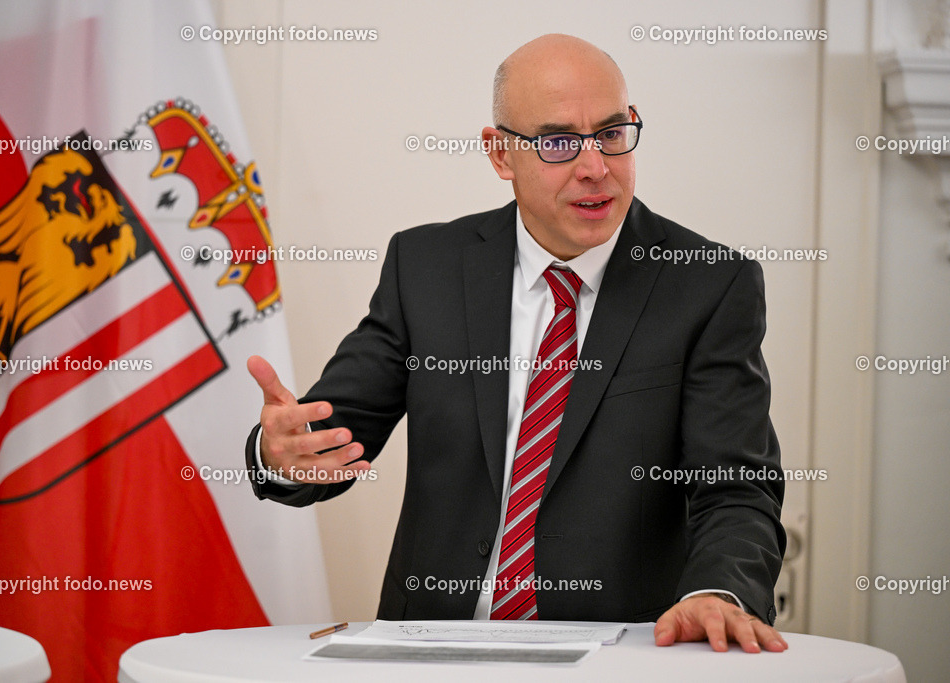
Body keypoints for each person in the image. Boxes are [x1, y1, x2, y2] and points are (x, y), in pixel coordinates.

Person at [245, 33, 788, 654]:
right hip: (429, 649)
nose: (595, 167)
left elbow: (736, 486)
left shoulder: (707, 283)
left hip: (620, 654)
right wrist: (279, 452)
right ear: (500, 154)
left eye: (612, 133)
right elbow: (327, 443)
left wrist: (716, 592)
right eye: (558, 142)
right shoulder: (425, 267)